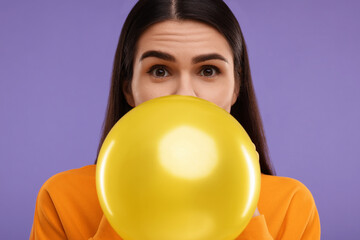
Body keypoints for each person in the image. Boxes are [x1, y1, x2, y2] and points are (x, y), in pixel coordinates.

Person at [30, 0, 321, 239]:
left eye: (208, 71)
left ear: (235, 89)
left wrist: (248, 217)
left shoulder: (292, 205)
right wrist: (124, 210)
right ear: (128, 89)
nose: (184, 95)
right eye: (159, 71)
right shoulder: (61, 200)